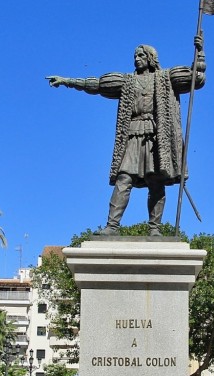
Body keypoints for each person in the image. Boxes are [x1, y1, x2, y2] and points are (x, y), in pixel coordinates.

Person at [46, 36, 205, 235]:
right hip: (132, 134)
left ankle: (154, 228)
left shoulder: (166, 77)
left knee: (155, 181)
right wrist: (67, 81)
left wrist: (199, 55)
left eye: (141, 55)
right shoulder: (126, 81)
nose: (137, 58)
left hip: (157, 137)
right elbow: (96, 84)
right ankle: (112, 226)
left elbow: (195, 80)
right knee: (124, 179)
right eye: (135, 56)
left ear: (150, 58)